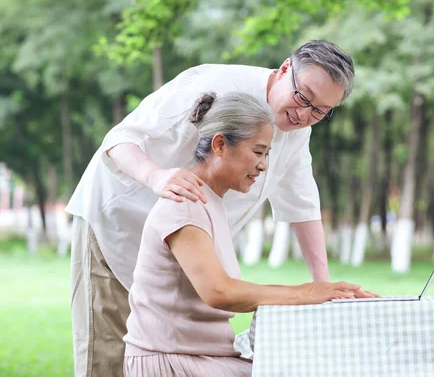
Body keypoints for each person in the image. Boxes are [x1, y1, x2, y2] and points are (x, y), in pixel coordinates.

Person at [67, 39, 355, 376]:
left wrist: (325, 290)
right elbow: (119, 138)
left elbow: (302, 205)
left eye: (320, 111)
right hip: (118, 225)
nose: (304, 114)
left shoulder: (296, 130)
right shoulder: (211, 87)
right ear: (285, 70)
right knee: (107, 358)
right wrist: (156, 176)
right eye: (303, 97)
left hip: (191, 253)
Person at [122, 92, 368, 376]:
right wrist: (305, 292)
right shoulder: (186, 204)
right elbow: (219, 291)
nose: (263, 165)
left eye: (267, 154)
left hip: (203, 357)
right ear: (220, 145)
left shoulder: (209, 201)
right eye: (258, 151)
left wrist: (320, 293)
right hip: (172, 362)